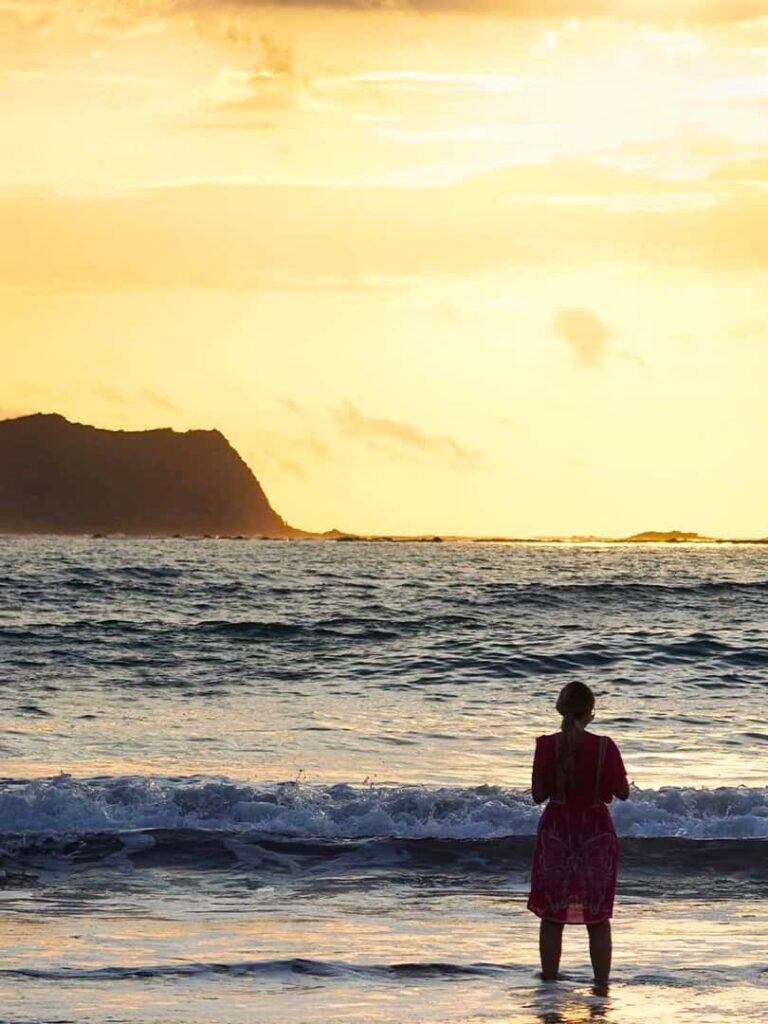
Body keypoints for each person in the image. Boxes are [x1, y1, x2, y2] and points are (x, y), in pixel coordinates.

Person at [528, 681, 629, 988]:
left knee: (552, 915)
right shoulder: (604, 747)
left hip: (557, 830)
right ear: (590, 712)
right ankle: (601, 987)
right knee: (597, 916)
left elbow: (537, 795)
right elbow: (622, 793)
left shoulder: (546, 745)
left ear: (560, 710)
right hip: (595, 831)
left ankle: (549, 982)